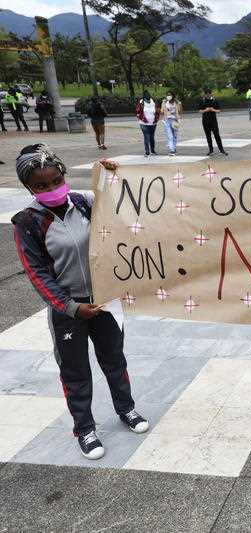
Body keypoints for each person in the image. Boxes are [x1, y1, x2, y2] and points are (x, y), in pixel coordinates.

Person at [11, 145, 149, 460]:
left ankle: (126, 409)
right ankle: (84, 429)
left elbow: (121, 209)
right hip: (68, 311)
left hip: (104, 303)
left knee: (114, 359)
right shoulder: (27, 223)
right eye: (41, 186)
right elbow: (38, 275)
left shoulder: (84, 204)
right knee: (74, 371)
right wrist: (71, 307)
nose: (51, 188)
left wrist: (112, 178)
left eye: (56, 180)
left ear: (64, 176)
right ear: (29, 188)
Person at [200, 87, 227, 156]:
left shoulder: (214, 100)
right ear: (205, 94)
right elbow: (200, 110)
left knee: (217, 135)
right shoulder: (203, 100)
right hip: (205, 121)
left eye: (209, 94)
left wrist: (213, 110)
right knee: (208, 136)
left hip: (213, 121)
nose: (208, 95)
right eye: (206, 94)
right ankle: (211, 150)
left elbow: (219, 110)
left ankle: (221, 150)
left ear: (211, 94)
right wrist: (205, 110)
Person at [135, 90, 159, 157]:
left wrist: (156, 118)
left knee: (151, 137)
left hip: (153, 123)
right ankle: (147, 151)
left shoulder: (153, 101)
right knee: (146, 136)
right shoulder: (141, 102)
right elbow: (137, 111)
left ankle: (152, 150)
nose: (147, 96)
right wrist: (140, 117)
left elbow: (157, 110)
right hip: (143, 123)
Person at [160, 91, 182, 156]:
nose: (168, 96)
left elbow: (180, 111)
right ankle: (172, 150)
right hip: (167, 120)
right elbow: (161, 111)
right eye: (167, 95)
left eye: (169, 95)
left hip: (175, 120)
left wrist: (179, 104)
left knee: (174, 136)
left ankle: (174, 148)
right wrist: (163, 105)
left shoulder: (176, 102)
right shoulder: (164, 102)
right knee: (170, 136)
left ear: (172, 96)